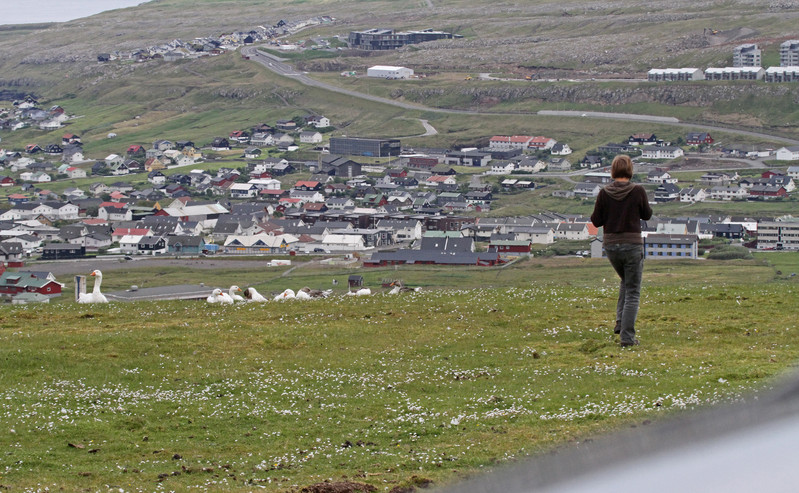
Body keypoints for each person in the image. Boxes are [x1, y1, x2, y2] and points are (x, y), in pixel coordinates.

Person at [590, 155, 653, 347]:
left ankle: (619, 322)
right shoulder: (638, 191)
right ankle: (627, 337)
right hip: (632, 245)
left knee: (626, 281)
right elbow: (647, 215)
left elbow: (596, 221)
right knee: (633, 290)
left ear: (613, 171)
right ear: (630, 170)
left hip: (611, 246)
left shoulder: (604, 193)